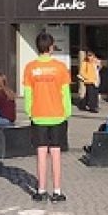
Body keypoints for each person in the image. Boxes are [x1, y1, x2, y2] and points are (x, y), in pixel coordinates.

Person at [23, 32, 71, 203]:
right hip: (57, 115)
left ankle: (41, 189)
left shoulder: (30, 67)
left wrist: (30, 111)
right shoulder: (60, 67)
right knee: (56, 154)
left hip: (38, 115)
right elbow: (65, 92)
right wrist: (67, 112)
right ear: (51, 47)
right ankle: (57, 191)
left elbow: (28, 93)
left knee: (41, 153)